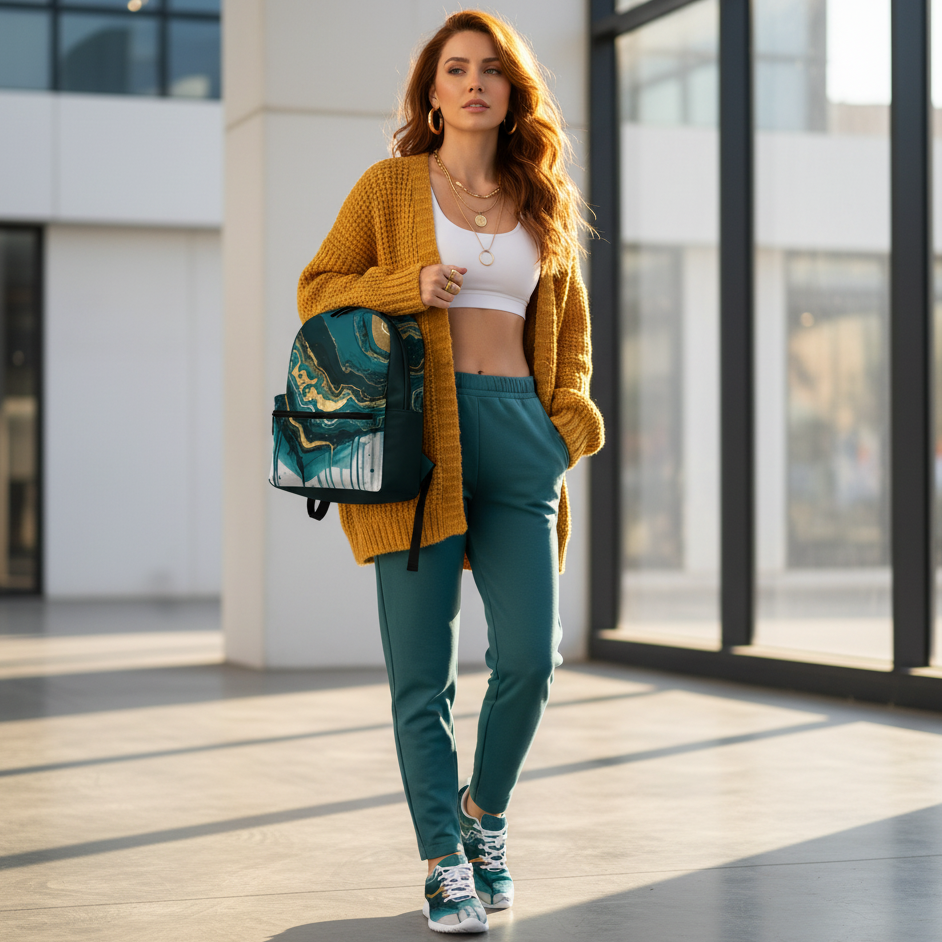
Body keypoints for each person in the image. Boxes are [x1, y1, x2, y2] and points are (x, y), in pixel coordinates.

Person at [297, 10, 604, 934]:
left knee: (529, 662)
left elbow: (573, 333)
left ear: (513, 94)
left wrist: (564, 426)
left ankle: (484, 818)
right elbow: (317, 289)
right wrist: (404, 284)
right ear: (432, 92)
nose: (474, 83)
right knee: (422, 674)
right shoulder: (388, 188)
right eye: (455, 69)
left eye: (491, 71)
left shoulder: (541, 198)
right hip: (416, 440)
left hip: (521, 436)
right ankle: (443, 861)